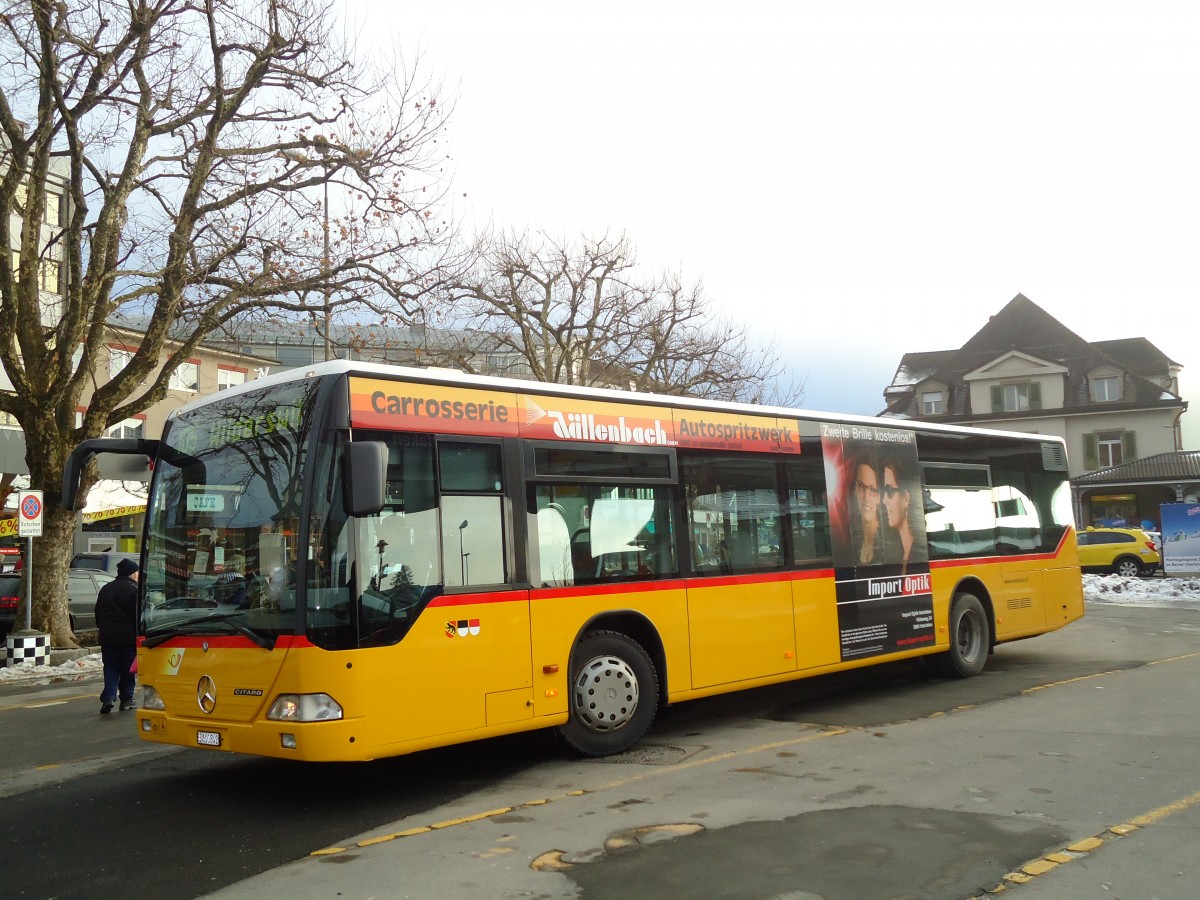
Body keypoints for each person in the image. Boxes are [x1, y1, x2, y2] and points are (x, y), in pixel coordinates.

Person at [95, 557, 139, 714]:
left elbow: (98, 613)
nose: (138, 575)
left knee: (111, 667)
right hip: (128, 638)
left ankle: (109, 697)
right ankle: (127, 699)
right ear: (131, 574)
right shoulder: (134, 590)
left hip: (108, 637)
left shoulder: (106, 589)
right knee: (128, 668)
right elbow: (137, 615)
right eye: (136, 572)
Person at [881, 456, 927, 574]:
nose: (884, 500)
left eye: (889, 491)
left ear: (906, 498)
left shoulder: (918, 552)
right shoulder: (897, 555)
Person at [851, 459, 883, 565]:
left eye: (873, 490)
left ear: (880, 497)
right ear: (855, 490)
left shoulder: (888, 543)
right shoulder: (853, 541)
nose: (866, 497)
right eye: (861, 485)